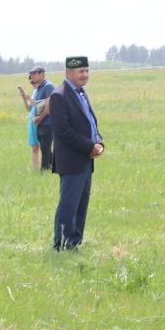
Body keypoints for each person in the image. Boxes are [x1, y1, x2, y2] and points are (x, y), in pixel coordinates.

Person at [46, 56, 106, 249]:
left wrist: (99, 142)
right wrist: (90, 147)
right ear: (68, 73)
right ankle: (62, 244)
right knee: (68, 205)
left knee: (81, 205)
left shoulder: (81, 93)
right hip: (71, 160)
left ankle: (75, 242)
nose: (85, 75)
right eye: (81, 72)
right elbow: (63, 132)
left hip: (86, 160)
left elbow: (89, 123)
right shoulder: (59, 96)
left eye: (87, 71)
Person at [17, 64, 56, 171]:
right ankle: (55, 167)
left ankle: (44, 171)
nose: (32, 77)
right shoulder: (38, 89)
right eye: (31, 75)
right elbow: (35, 107)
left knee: (45, 149)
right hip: (39, 124)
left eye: (34, 74)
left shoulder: (48, 86)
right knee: (45, 149)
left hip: (47, 122)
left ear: (42, 74)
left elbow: (49, 105)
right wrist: (26, 99)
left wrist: (39, 118)